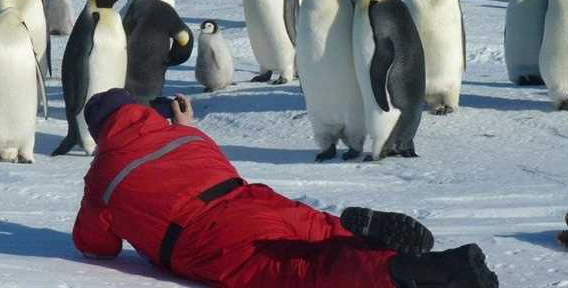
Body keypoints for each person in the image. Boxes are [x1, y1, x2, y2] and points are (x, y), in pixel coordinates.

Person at [71, 88, 499, 288]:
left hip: (208, 238)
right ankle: (385, 245)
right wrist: (182, 127)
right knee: (323, 233)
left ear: (99, 132)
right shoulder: (188, 136)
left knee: (304, 270)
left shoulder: (105, 175)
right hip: (254, 199)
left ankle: (414, 272)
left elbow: (96, 244)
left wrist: (101, 187)